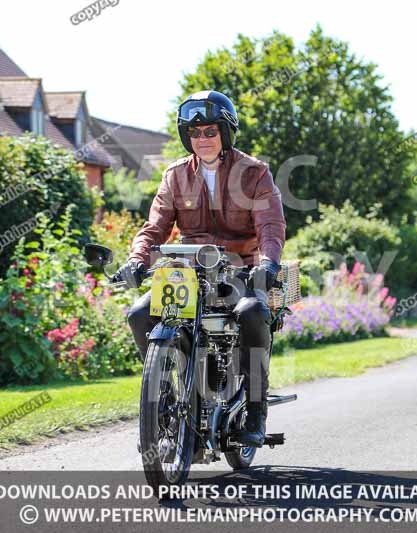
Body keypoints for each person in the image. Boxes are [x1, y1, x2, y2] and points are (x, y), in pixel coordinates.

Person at [114, 90, 286, 447]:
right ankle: (165, 389)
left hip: (241, 268)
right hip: (188, 271)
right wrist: (136, 258)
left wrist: (268, 262)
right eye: (194, 133)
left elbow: (270, 224)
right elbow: (155, 227)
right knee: (139, 314)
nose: (202, 139)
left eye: (209, 131)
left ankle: (255, 411)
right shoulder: (175, 176)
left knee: (253, 313)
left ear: (225, 132)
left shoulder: (255, 173)